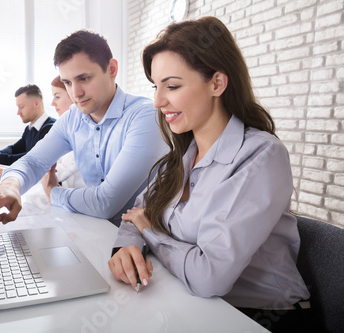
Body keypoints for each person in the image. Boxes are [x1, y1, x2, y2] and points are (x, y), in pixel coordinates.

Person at [108, 17, 314, 333]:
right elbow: (136, 214)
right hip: (191, 303)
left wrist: (150, 232)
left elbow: (209, 276)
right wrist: (126, 247)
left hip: (259, 316)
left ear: (217, 83)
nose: (158, 101)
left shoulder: (261, 156)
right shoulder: (180, 156)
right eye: (156, 86)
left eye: (172, 86)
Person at [0, 29, 167, 226]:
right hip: (92, 228)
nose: (76, 93)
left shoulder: (145, 116)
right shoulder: (72, 119)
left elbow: (105, 203)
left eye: (84, 78)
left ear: (112, 69)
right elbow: (33, 161)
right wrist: (10, 185)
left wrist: (52, 191)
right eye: (67, 82)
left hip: (137, 241)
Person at [0, 84, 56, 179]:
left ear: (36, 104)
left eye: (21, 107)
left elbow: (33, 157)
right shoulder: (30, 128)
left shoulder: (51, 128)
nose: (18, 112)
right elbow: (14, 149)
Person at [49, 75, 85, 188]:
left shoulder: (84, 128)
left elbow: (60, 171)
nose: (52, 103)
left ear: (73, 95)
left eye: (57, 97)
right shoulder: (65, 126)